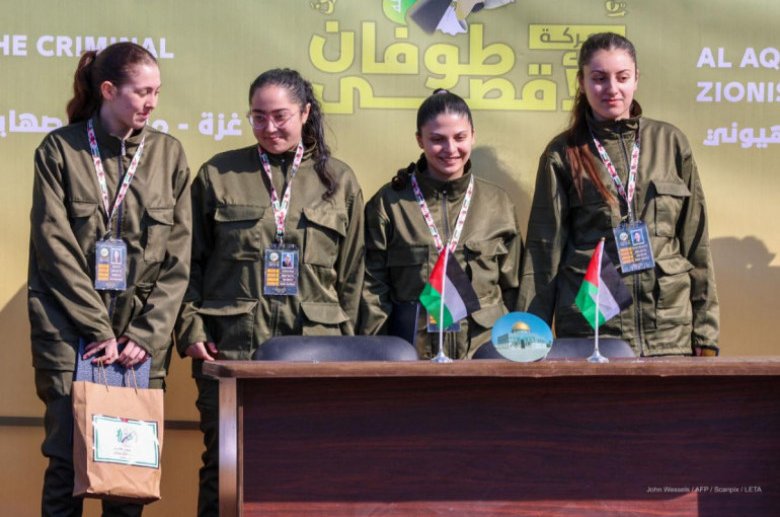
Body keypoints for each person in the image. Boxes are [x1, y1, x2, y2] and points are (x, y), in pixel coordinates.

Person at [175, 68, 365, 516]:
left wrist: (355, 352)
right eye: (258, 117)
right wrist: (191, 328)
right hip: (231, 351)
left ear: (305, 112)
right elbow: (186, 262)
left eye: (280, 116)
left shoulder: (338, 180)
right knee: (224, 468)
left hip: (316, 353)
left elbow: (355, 276)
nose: (269, 127)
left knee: (309, 468)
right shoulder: (219, 174)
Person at [28, 42, 191, 516]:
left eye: (157, 92)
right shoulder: (60, 150)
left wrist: (146, 335)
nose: (152, 103)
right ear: (108, 90)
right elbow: (53, 248)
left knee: (127, 472)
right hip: (71, 335)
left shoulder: (168, 155)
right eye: (142, 92)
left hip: (138, 342)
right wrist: (98, 328)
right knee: (66, 464)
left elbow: (178, 259)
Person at [518, 32, 719, 356]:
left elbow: (696, 242)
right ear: (582, 82)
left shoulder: (670, 142)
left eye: (622, 77)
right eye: (599, 78)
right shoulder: (563, 153)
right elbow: (543, 253)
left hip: (669, 333)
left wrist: (705, 333)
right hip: (594, 335)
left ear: (636, 79)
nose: (612, 88)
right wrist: (529, 340)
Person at [360, 90, 522, 359]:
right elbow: (372, 292)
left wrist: (511, 355)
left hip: (483, 355)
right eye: (437, 139)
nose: (450, 149)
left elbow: (514, 288)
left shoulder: (498, 203)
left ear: (473, 136)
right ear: (420, 140)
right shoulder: (389, 205)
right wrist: (382, 355)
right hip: (413, 357)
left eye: (460, 137)